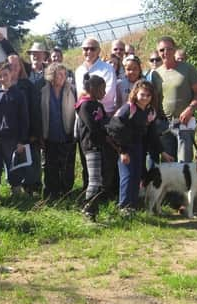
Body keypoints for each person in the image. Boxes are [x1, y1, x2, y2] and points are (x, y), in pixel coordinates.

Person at [106, 80, 173, 213]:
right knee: (127, 176)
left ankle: (133, 207)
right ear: (135, 93)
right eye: (142, 94)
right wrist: (123, 151)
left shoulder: (150, 112)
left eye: (148, 95)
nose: (145, 98)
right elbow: (114, 129)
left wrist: (162, 152)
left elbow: (152, 135)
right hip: (125, 148)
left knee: (137, 176)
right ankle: (124, 207)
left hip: (139, 147)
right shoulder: (128, 109)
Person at [74, 38, 118, 197]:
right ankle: (89, 195)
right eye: (85, 48)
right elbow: (79, 95)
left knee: (105, 161)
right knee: (88, 161)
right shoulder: (79, 70)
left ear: (99, 51)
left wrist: (92, 99)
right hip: (85, 118)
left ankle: (105, 193)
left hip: (102, 117)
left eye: (92, 48)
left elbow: (108, 95)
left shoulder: (107, 68)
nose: (88, 52)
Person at [151, 36, 197, 163]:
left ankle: (185, 184)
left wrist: (189, 110)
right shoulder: (155, 74)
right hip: (164, 124)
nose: (165, 52)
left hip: (183, 122)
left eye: (169, 49)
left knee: (184, 163)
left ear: (174, 50)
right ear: (158, 52)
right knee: (168, 163)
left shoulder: (188, 69)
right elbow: (155, 100)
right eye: (162, 50)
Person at [0, 62, 29, 200]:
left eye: (5, 75)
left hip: (12, 139)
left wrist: (22, 141)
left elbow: (24, 120)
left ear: (11, 74)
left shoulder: (19, 95)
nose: (2, 78)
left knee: (14, 168)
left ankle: (16, 196)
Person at [39, 63, 76, 199]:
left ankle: (66, 192)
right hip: (50, 135)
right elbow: (39, 114)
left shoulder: (71, 90)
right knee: (50, 167)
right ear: (51, 75)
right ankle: (51, 193)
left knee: (67, 166)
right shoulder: (43, 91)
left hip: (67, 134)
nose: (63, 77)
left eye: (64, 74)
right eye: (59, 74)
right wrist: (41, 135)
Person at [7, 54, 42, 194]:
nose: (14, 68)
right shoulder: (1, 84)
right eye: (10, 65)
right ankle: (15, 189)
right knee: (12, 161)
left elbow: (34, 110)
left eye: (16, 65)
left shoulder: (27, 85)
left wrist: (35, 133)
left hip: (27, 131)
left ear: (20, 67)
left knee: (31, 162)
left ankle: (32, 189)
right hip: (9, 133)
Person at [75, 75, 107, 216]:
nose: (104, 93)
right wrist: (104, 130)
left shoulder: (99, 105)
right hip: (90, 146)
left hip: (100, 145)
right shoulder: (84, 105)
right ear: (92, 89)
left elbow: (106, 122)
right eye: (102, 89)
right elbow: (93, 127)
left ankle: (93, 209)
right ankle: (87, 209)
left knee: (98, 180)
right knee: (93, 180)